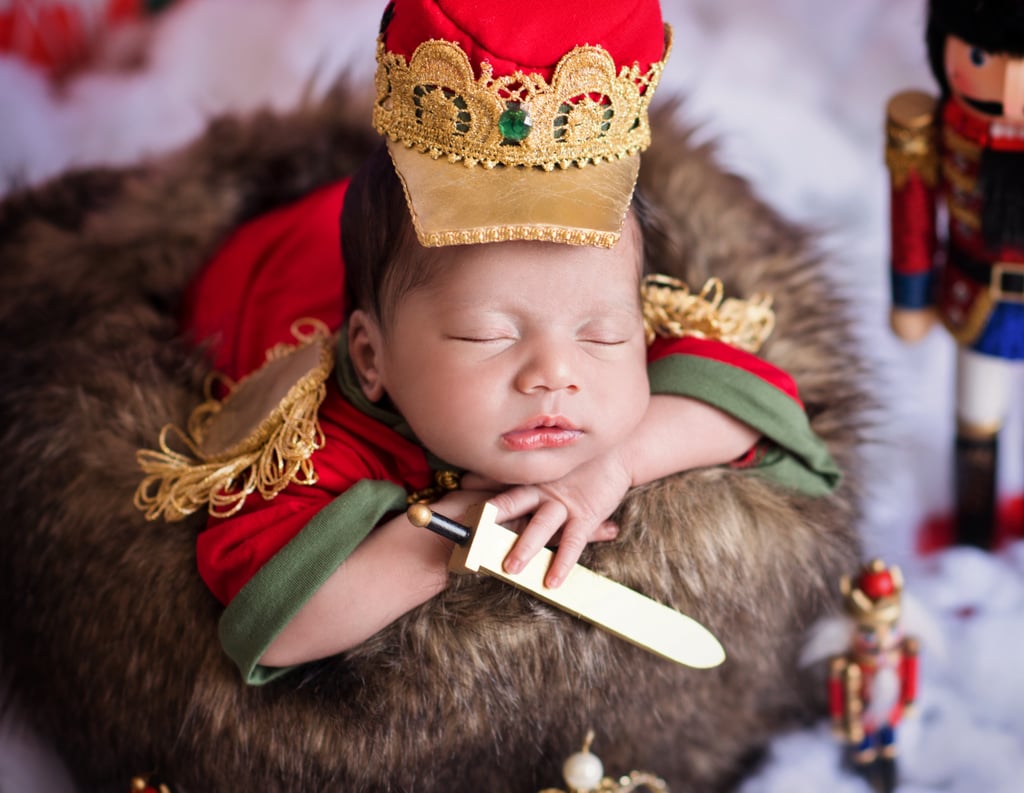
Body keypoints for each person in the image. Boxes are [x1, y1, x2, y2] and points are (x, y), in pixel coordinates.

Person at [140, 0, 840, 684]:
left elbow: (753, 400)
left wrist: (616, 463)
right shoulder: (325, 435)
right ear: (370, 357)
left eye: (604, 334)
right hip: (279, 263)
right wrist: (453, 529)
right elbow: (272, 620)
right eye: (488, 334)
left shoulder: (596, 303)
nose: (555, 371)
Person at [887, 0, 1024, 548]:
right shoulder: (940, 129)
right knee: (976, 420)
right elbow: (913, 216)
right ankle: (974, 530)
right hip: (979, 301)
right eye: (982, 57)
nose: (1012, 87)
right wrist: (911, 295)